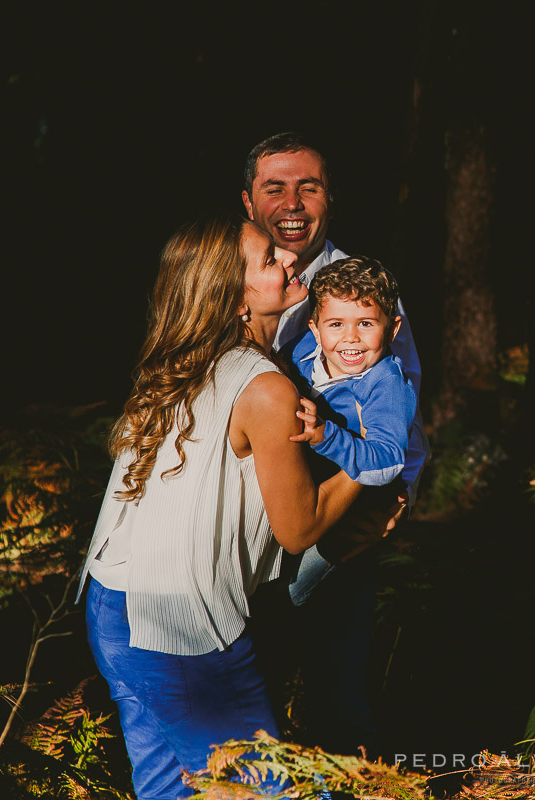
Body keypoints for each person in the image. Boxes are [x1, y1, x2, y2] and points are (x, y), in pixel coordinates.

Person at [80, 217, 364, 800]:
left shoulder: (180, 362)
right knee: (274, 792)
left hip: (112, 605)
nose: (288, 260)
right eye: (268, 259)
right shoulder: (265, 389)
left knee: (172, 788)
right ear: (234, 298)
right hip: (177, 629)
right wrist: (372, 459)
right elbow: (298, 527)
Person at [242, 132, 428, 753]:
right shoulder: (232, 277)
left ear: (330, 199)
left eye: (309, 187)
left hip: (340, 507)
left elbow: (401, 409)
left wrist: (393, 503)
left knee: (337, 681)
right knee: (247, 676)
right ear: (249, 202)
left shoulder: (365, 292)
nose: (293, 203)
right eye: (276, 188)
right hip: (241, 516)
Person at [284, 257, 417, 602]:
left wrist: (327, 435)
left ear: (392, 329)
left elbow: (388, 459)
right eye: (337, 324)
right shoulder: (301, 353)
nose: (351, 338)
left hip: (347, 522)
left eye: (366, 323)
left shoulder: (384, 384)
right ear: (315, 328)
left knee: (296, 599)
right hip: (302, 497)